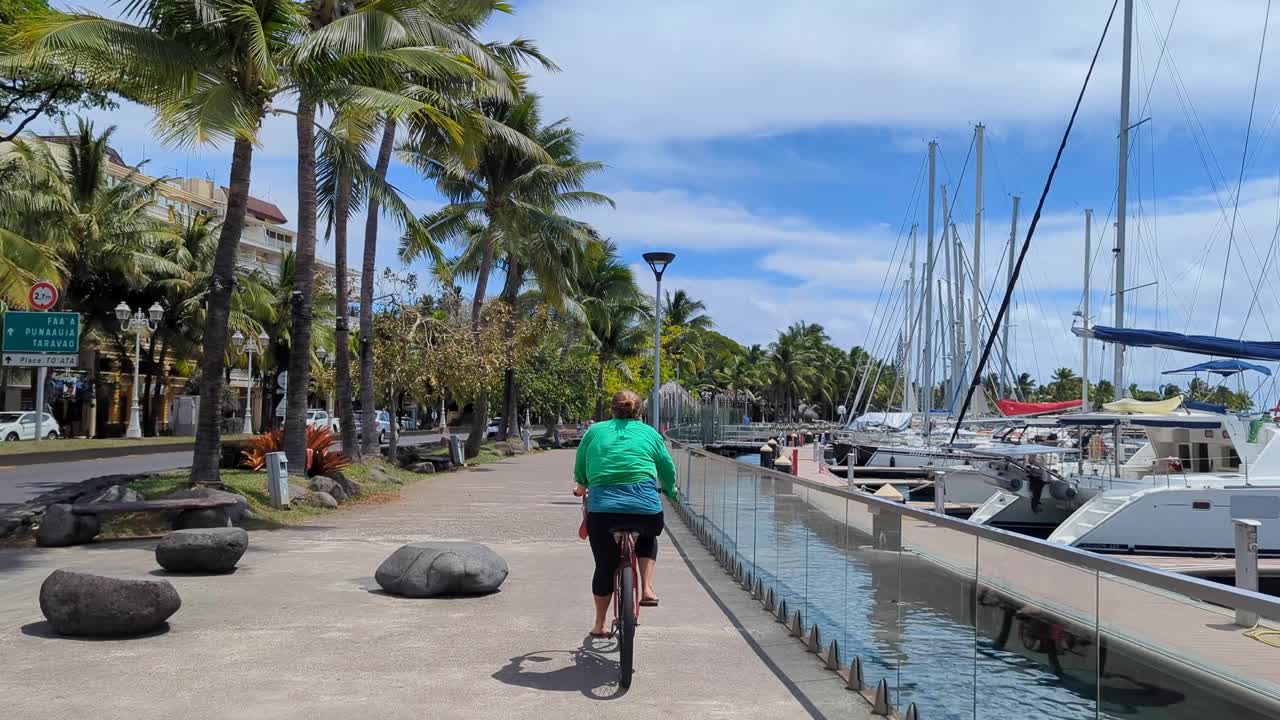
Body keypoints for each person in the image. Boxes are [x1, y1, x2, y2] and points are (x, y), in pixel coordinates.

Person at [573, 390, 677, 638]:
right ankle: (648, 588)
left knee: (604, 566)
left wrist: (581, 486)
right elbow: (666, 467)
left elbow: (581, 462)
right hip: (645, 510)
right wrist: (671, 490)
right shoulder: (650, 433)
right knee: (648, 537)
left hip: (603, 512)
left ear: (612, 409)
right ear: (639, 412)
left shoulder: (595, 431)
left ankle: (599, 625)